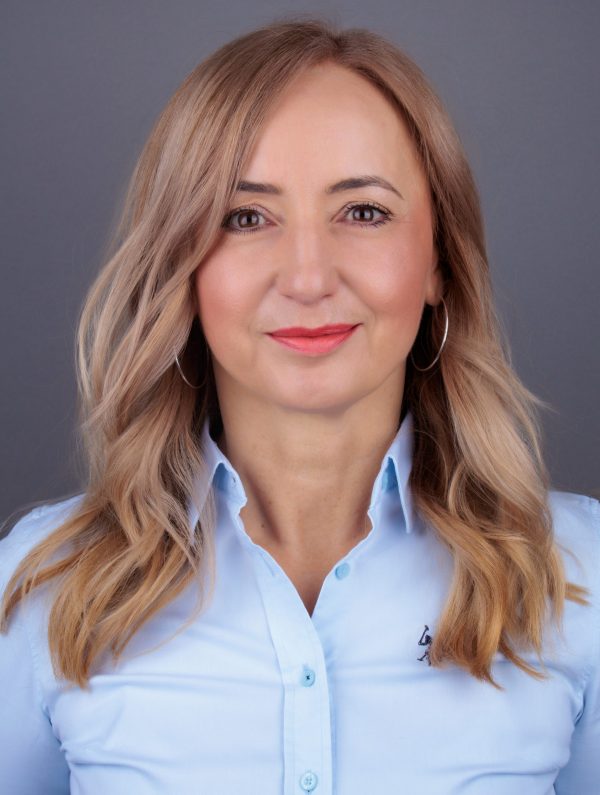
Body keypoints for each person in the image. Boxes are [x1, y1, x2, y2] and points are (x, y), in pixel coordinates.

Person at [1, 16, 598, 795]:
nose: (309, 277)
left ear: (439, 263)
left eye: (364, 212)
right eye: (245, 217)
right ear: (181, 263)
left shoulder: (579, 581)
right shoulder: (46, 588)